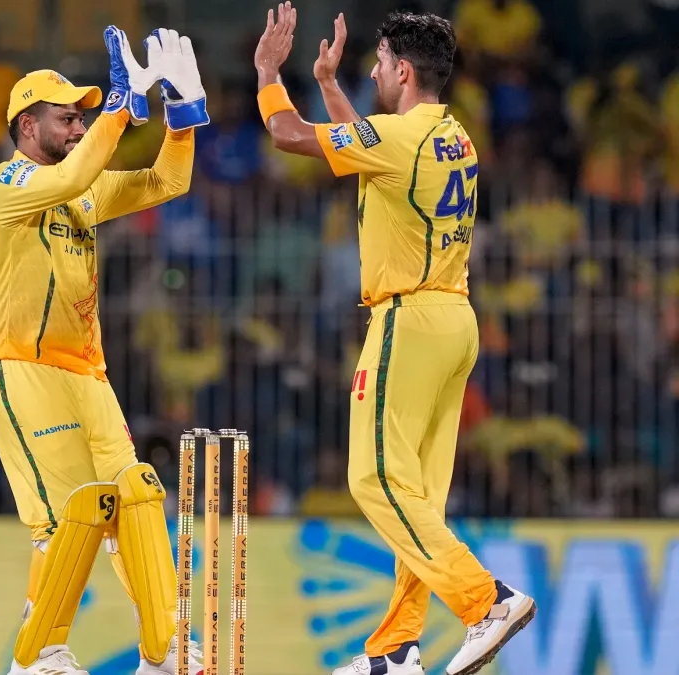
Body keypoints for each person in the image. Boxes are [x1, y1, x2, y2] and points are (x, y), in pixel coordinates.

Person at [251, 5, 536, 675]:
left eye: (379, 63)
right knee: (417, 496)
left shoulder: (397, 136)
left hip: (407, 320)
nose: (372, 72)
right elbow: (368, 150)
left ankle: (487, 601)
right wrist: (328, 85)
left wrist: (268, 73)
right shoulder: (452, 134)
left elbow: (289, 135)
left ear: (403, 71)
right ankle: (397, 648)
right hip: (454, 319)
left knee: (374, 478)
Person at [0, 25, 207, 675]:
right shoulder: (7, 181)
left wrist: (182, 113)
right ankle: (39, 655)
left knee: (134, 501)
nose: (80, 128)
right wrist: (120, 110)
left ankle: (163, 648)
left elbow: (166, 183)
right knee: (65, 519)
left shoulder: (81, 185)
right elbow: (76, 173)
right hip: (23, 367)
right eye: (67, 119)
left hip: (89, 373)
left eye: (84, 118)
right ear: (27, 125)